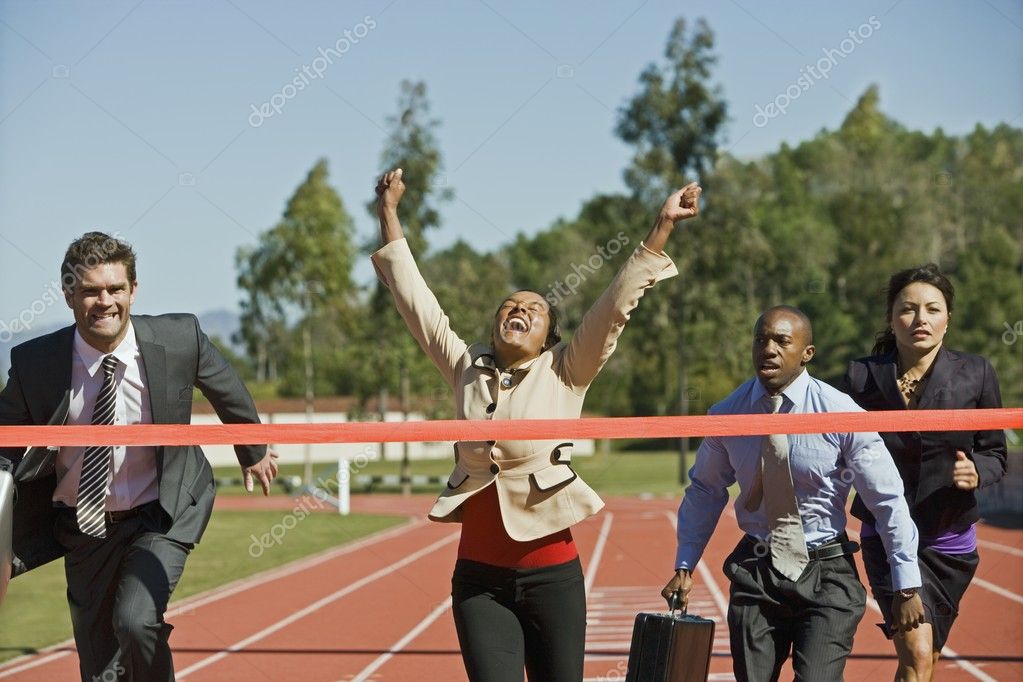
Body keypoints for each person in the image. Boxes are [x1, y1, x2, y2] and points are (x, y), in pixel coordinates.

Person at [372, 167, 698, 682]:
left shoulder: (566, 369)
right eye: (509, 306)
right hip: (479, 582)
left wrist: (662, 226)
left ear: (550, 335)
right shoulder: (465, 367)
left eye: (534, 308)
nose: (518, 310)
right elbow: (417, 304)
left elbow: (614, 308)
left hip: (552, 579)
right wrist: (389, 214)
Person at [0, 232, 279, 682]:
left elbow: (227, 389)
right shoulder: (36, 362)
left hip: (162, 512)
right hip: (84, 524)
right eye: (90, 290)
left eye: (115, 289)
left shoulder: (178, 335)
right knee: (98, 664)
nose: (104, 301)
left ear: (134, 290)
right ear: (69, 294)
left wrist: (253, 450)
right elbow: (5, 439)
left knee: (135, 618)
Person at [661, 305, 924, 682]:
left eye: (782, 341)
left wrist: (906, 581)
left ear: (807, 353)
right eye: (760, 340)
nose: (768, 349)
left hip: (826, 571)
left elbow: (887, 499)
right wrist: (685, 564)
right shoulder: (727, 414)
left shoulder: (842, 414)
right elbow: (706, 489)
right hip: (757, 569)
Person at [842, 264, 1007, 681]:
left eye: (932, 309)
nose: (921, 320)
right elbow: (829, 445)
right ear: (891, 317)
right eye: (908, 309)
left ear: (947, 318)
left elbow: (995, 452)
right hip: (887, 534)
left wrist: (977, 472)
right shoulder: (860, 377)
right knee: (917, 655)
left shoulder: (977, 373)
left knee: (924, 659)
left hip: (948, 539)